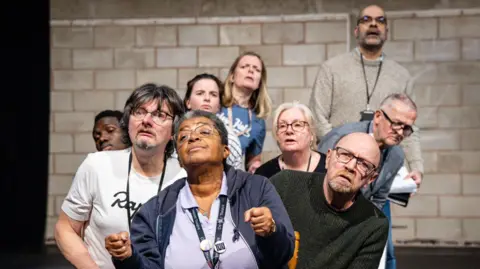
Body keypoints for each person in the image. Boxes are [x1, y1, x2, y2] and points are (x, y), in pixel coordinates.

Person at [105, 110, 295, 269]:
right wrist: (127, 257)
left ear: (225, 150)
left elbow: (283, 254)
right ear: (179, 159)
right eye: (184, 137)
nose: (193, 137)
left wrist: (271, 231)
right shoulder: (155, 211)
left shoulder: (256, 188)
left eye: (204, 132)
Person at [55, 84, 184, 269]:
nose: (146, 120)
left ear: (174, 130)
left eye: (159, 115)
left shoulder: (184, 175)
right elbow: (65, 228)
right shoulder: (98, 165)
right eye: (139, 112)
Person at [309, 4, 423, 189]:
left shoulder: (401, 75)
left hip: (377, 175)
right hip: (338, 173)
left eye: (380, 21)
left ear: (387, 31)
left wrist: (416, 167)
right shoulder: (332, 69)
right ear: (356, 30)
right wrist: (346, 158)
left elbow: (410, 129)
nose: (373, 24)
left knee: (376, 216)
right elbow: (318, 118)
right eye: (366, 20)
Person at [318, 93, 418, 269]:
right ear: (378, 116)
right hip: (326, 217)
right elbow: (317, 182)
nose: (400, 132)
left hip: (361, 218)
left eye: (407, 128)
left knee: (386, 252)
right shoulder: (341, 138)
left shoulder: (396, 156)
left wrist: (365, 230)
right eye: (396, 124)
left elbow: (379, 199)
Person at [270, 132, 389, 269]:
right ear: (328, 158)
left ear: (371, 179)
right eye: (345, 155)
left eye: (364, 164)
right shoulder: (285, 183)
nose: (350, 167)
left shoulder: (373, 224)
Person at [217, 51, 272, 173]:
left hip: (229, 178)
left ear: (259, 83)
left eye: (256, 69)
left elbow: (252, 161)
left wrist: (255, 166)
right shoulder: (215, 100)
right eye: (244, 67)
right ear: (232, 76)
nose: (251, 71)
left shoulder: (258, 122)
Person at [183, 73, 242, 169]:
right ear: (188, 102)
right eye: (200, 93)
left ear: (219, 105)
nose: (207, 98)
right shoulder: (172, 134)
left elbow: (234, 180)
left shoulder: (230, 140)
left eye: (213, 94)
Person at [255, 101, 326, 178]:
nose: (289, 131)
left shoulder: (329, 168)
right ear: (276, 135)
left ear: (311, 133)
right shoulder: (263, 174)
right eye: (282, 126)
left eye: (297, 125)